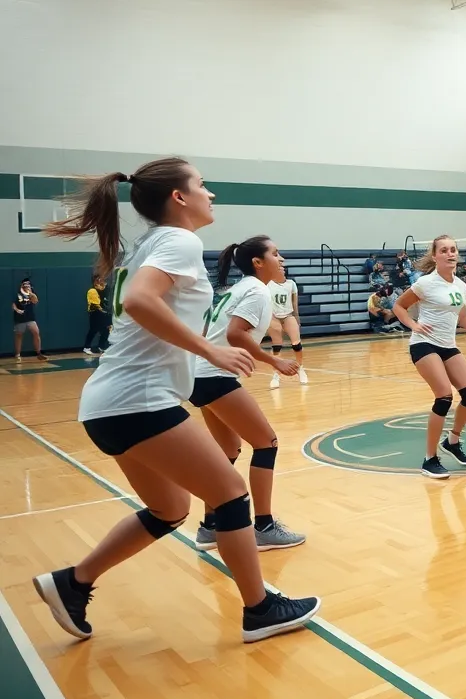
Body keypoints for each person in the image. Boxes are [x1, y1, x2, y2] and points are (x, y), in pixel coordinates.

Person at [37, 157, 318, 644]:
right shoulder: (179, 241)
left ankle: (73, 583)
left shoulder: (149, 243)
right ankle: (259, 609)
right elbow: (139, 301)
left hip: (108, 403)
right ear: (179, 197)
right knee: (230, 493)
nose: (212, 194)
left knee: (168, 509)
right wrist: (210, 350)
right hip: (138, 400)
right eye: (203, 185)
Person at [191, 236, 307, 552]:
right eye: (275, 254)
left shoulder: (238, 289)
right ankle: (265, 527)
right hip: (215, 377)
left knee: (227, 450)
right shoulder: (257, 290)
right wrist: (274, 361)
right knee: (266, 443)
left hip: (201, 376)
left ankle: (210, 527)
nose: (282, 259)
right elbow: (234, 333)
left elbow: (212, 331)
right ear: (258, 262)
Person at [392, 235, 466, 479]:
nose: (450, 253)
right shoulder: (425, 283)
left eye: (453, 249)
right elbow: (399, 306)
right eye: (444, 250)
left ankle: (452, 441)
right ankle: (429, 459)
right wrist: (413, 325)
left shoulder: (461, 285)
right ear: (435, 256)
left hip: (447, 345)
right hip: (424, 344)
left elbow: (463, 319)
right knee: (444, 396)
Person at [267, 270, 308, 389]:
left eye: (283, 269)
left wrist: (297, 318)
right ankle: (276, 375)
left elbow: (294, 303)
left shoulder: (291, 284)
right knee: (277, 346)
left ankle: (300, 368)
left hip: (288, 315)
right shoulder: (268, 284)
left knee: (296, 344)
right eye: (279, 268)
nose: (282, 270)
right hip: (274, 316)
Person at [13, 277, 47, 362]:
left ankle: (38, 353)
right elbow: (13, 304)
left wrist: (30, 293)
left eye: (28, 284)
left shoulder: (31, 293)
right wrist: (17, 310)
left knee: (36, 332)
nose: (27, 285)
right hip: (20, 318)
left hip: (30, 317)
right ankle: (17, 354)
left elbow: (35, 301)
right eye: (25, 284)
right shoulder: (18, 293)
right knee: (19, 335)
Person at [83, 275, 112, 355]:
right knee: (93, 330)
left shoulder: (105, 289)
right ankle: (87, 347)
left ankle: (101, 347)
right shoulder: (92, 291)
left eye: (102, 279)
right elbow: (95, 305)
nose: (101, 281)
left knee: (106, 329)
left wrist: (106, 311)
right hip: (95, 312)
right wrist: (102, 311)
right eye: (98, 279)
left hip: (104, 312)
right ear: (95, 281)